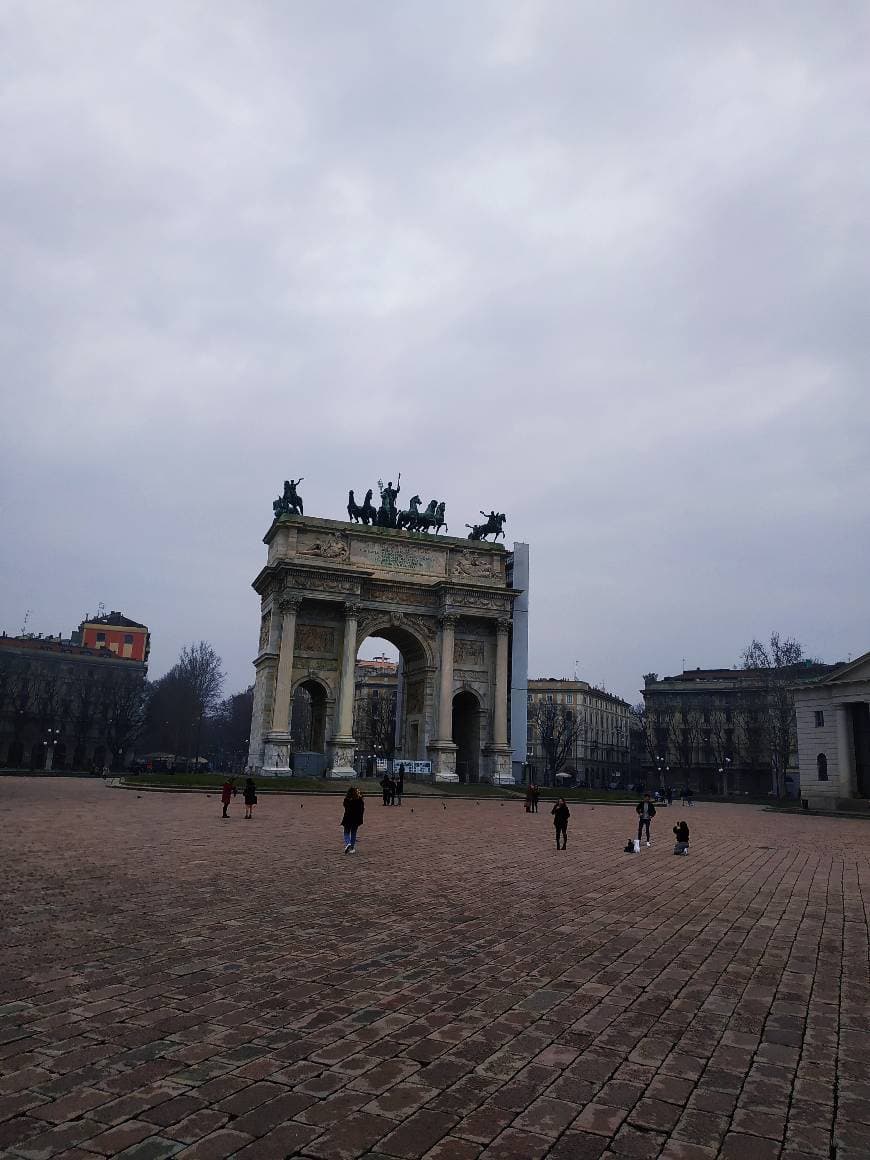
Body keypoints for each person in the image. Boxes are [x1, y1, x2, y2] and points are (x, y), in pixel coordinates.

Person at [341, 786, 365, 853]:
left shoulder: (347, 799)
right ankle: (352, 848)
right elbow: (362, 810)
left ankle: (348, 843)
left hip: (348, 818)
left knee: (346, 832)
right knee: (353, 833)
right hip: (356, 819)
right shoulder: (359, 800)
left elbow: (345, 807)